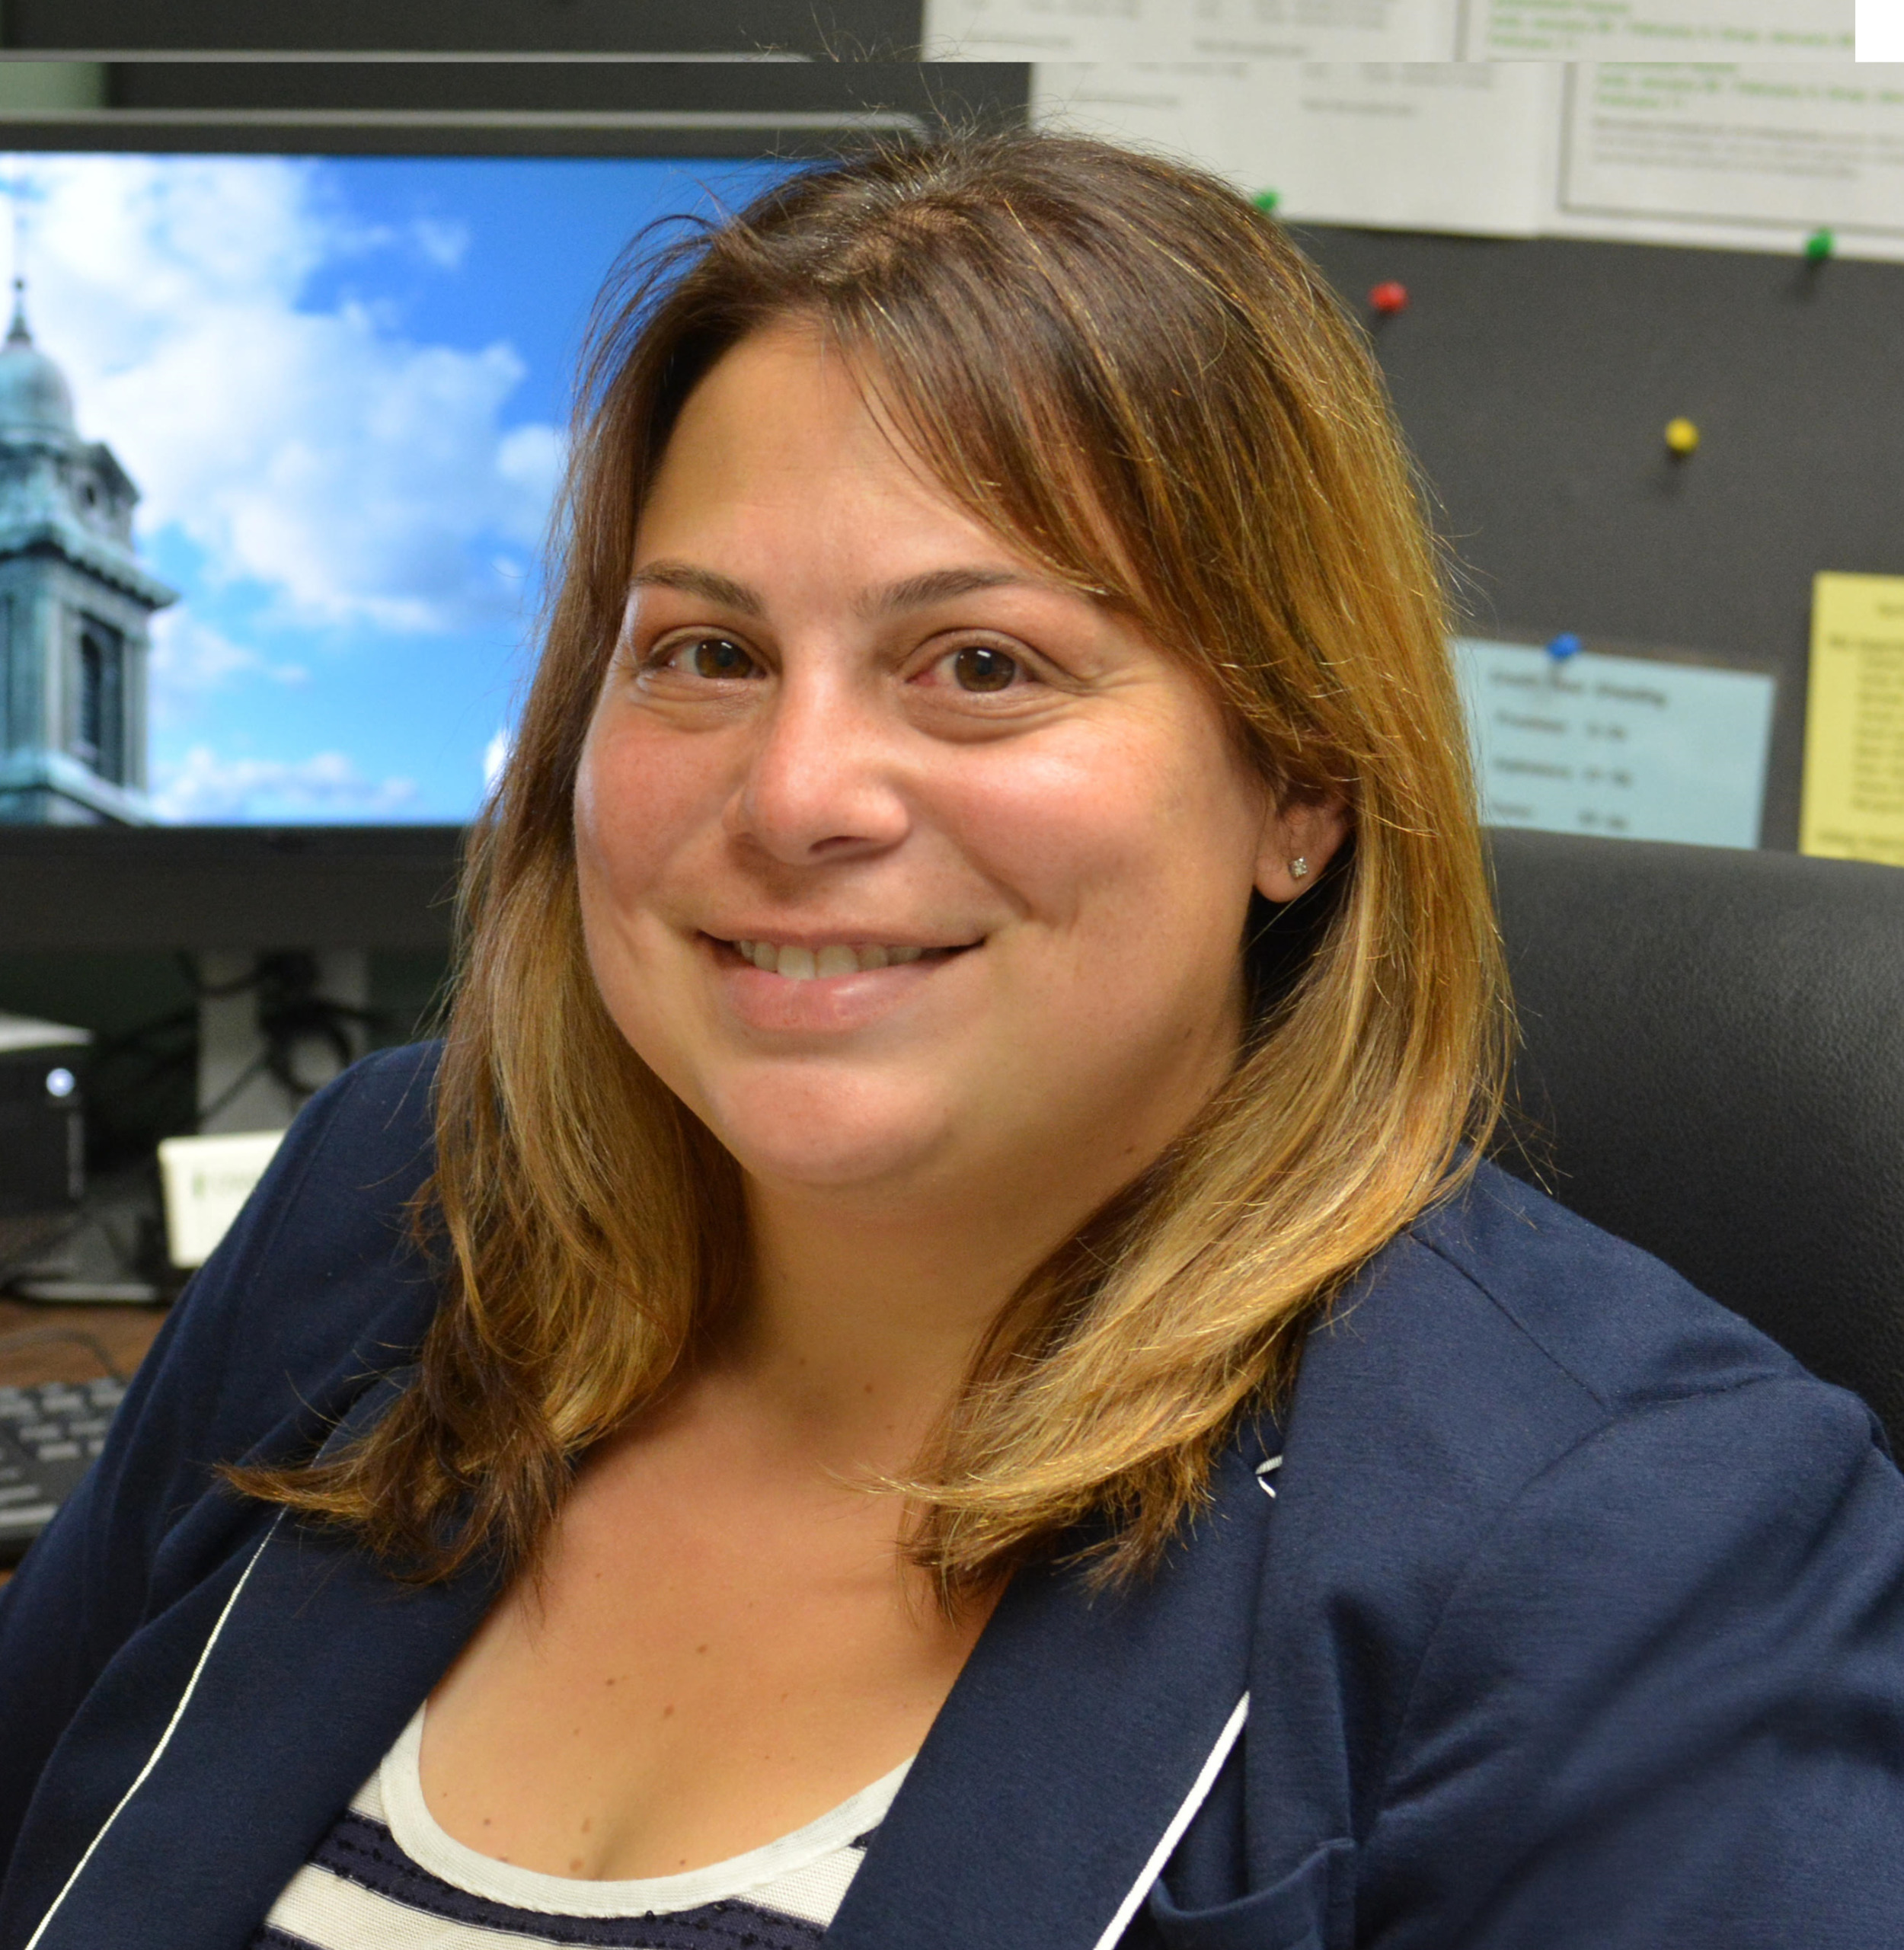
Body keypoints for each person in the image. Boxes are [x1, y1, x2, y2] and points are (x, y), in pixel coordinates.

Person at [2, 129, 1902, 1950]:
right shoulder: (393, 1197)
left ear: (1299, 786)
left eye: (980, 665)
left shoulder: (1648, 1546)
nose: (798, 790)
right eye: (705, 653)